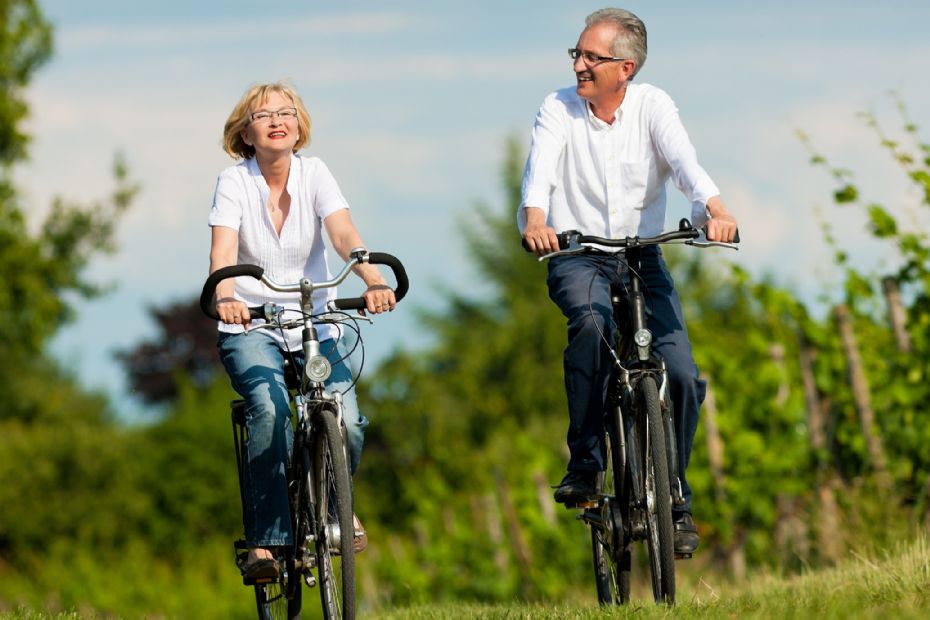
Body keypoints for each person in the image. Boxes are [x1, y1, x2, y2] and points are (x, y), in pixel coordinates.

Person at [519, 8, 738, 556]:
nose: (579, 65)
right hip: (579, 256)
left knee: (682, 374)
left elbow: (685, 162)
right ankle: (587, 463)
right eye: (577, 54)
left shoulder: (653, 106)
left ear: (627, 67)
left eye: (592, 57)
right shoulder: (558, 108)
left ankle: (675, 496)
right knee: (591, 328)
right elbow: (539, 174)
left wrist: (713, 208)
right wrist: (536, 222)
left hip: (643, 257)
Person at [208, 81, 396, 580]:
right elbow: (223, 254)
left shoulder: (315, 174)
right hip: (254, 325)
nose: (277, 120)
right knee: (268, 410)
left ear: (299, 125)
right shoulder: (233, 183)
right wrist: (227, 296)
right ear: (245, 133)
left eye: (287, 112)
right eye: (264, 114)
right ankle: (267, 542)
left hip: (316, 323)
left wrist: (373, 278)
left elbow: (343, 235)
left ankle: (334, 508)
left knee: (348, 418)